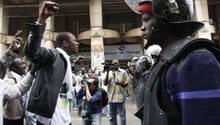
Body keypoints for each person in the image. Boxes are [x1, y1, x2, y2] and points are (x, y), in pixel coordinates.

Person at [126, 0, 220, 125]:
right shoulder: (167, 60)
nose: (142, 27)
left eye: (146, 19)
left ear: (164, 20)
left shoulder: (195, 61)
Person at [24, 1, 79, 125]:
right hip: (51, 121)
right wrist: (41, 20)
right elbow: (32, 53)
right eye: (74, 41)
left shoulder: (65, 60)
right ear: (65, 43)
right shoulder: (54, 55)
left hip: (65, 119)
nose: (78, 43)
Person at [104, 59, 129, 125]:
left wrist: (120, 83)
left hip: (120, 97)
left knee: (122, 116)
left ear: (118, 64)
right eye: (113, 63)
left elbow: (126, 84)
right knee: (112, 116)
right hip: (111, 97)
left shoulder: (123, 72)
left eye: (116, 63)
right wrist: (107, 72)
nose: (115, 64)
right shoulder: (109, 73)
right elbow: (105, 83)